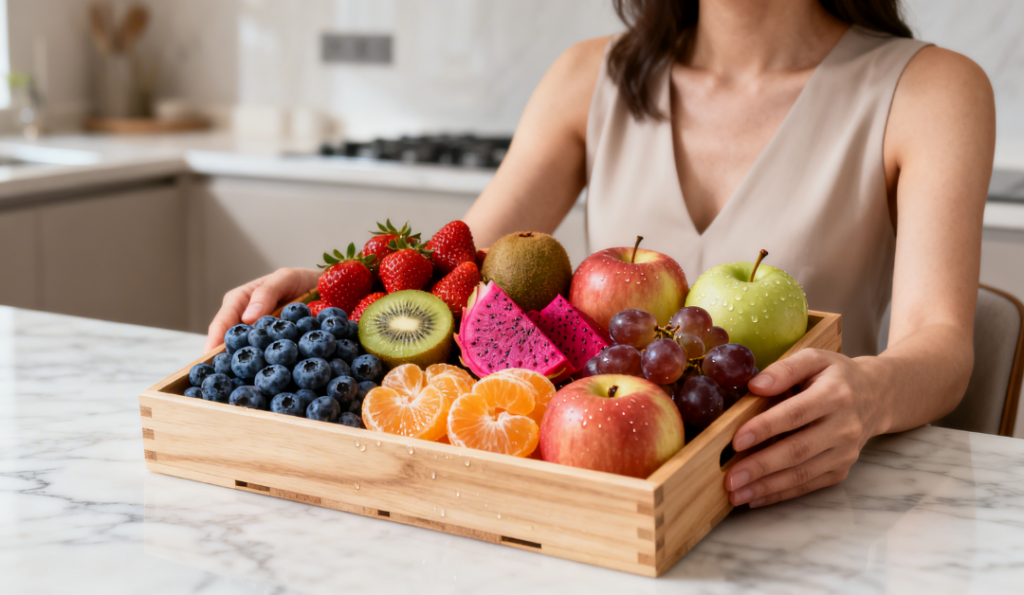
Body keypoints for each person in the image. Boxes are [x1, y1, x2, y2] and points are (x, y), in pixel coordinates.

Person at [206, 0, 995, 508]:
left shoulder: (933, 90)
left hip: (808, 501)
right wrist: (348, 288)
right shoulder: (590, 76)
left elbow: (943, 344)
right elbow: (471, 266)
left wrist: (871, 393)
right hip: (602, 509)